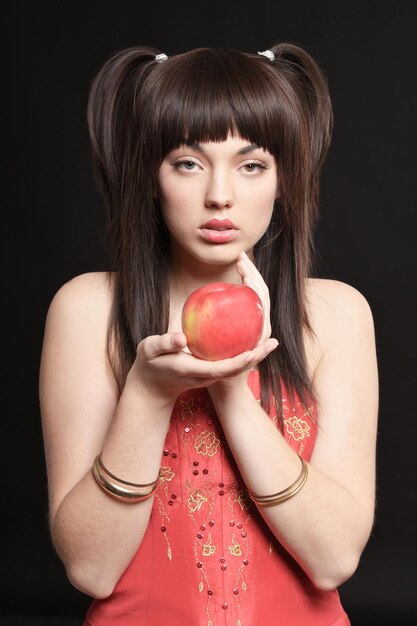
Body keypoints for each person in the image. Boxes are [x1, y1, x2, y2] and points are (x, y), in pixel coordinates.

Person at [39, 43, 378, 626]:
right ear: (151, 174)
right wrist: (147, 392)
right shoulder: (88, 308)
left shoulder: (338, 314)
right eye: (188, 162)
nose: (220, 194)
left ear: (283, 180)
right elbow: (91, 569)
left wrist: (232, 387)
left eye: (252, 165)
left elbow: (334, 560)